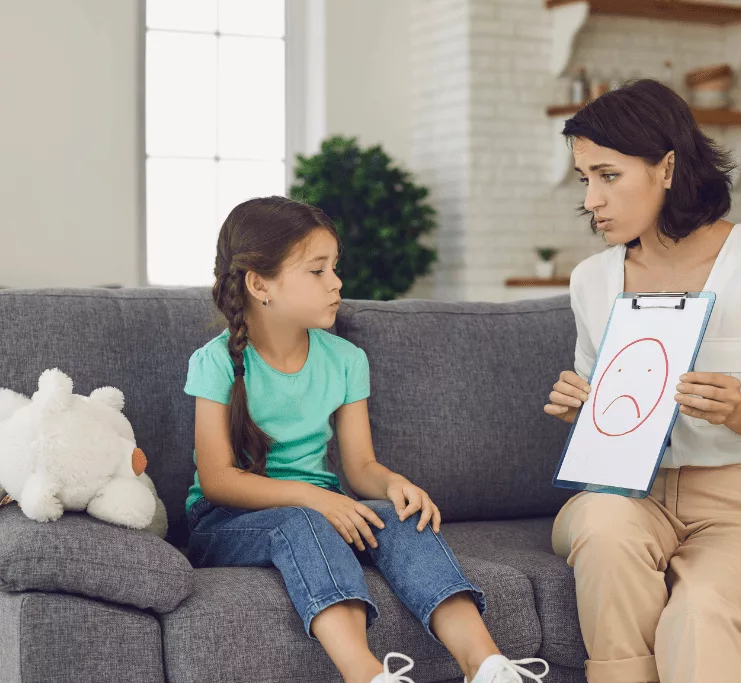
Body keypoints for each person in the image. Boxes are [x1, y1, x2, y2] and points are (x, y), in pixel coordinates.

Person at [184, 196, 548, 683]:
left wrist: (394, 484)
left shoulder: (346, 360)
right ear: (259, 284)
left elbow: (359, 468)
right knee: (302, 523)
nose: (336, 283)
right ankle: (366, 675)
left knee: (402, 520)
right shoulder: (214, 362)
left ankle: (488, 666)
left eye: (335, 267)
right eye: (317, 271)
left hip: (321, 508)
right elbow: (216, 480)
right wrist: (314, 500)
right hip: (227, 521)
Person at [544, 80, 741, 683]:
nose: (591, 199)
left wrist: (739, 410)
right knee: (603, 527)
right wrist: (581, 410)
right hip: (626, 495)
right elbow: (607, 416)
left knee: (698, 611)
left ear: (666, 167)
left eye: (607, 176)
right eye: (584, 178)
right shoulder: (593, 279)